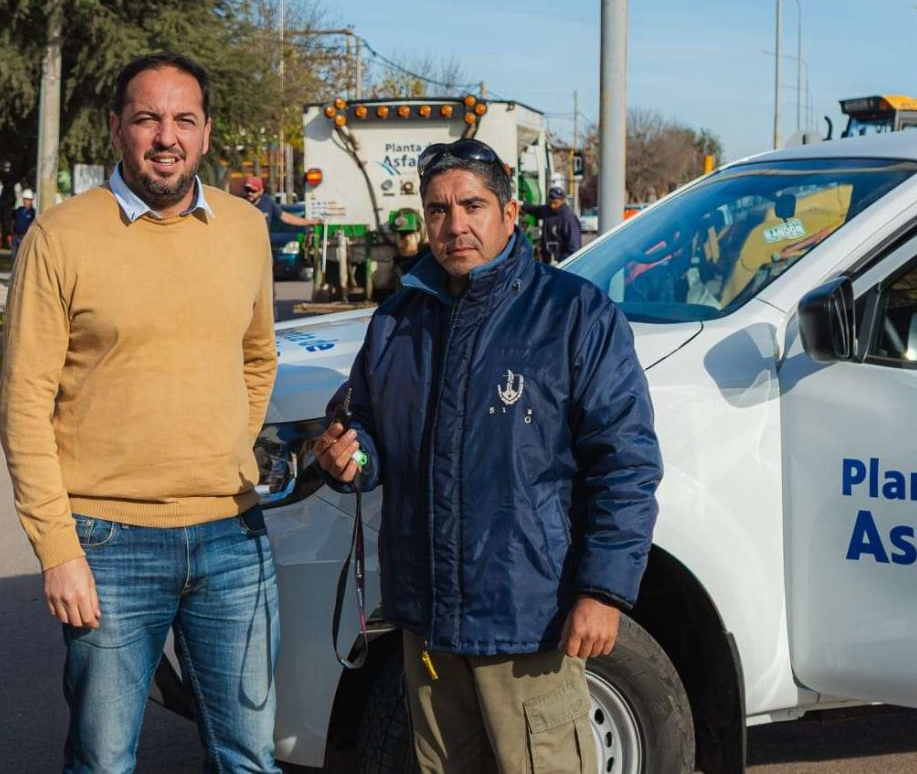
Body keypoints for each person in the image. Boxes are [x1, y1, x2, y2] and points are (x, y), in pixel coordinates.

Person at [314, 138, 662, 773]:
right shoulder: (397, 322)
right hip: (428, 625)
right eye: (439, 210)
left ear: (509, 212)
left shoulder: (573, 315)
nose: (455, 225)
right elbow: (368, 431)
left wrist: (603, 591)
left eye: (471, 205)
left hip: (530, 621)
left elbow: (626, 464)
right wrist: (349, 457)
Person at [0, 51, 280, 772]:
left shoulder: (246, 228)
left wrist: (224, 448)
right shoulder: (59, 237)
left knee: (248, 756)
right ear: (117, 129)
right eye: (147, 118)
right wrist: (59, 551)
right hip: (108, 543)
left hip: (233, 536)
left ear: (207, 132)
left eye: (183, 119)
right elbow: (25, 403)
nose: (167, 136)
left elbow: (258, 358)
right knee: (103, 760)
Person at [522, 185, 582, 264]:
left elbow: (574, 247)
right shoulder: (547, 210)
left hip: (561, 263)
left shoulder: (568, 219)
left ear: (562, 200)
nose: (552, 206)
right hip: (547, 260)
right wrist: (522, 206)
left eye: (555, 203)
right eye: (550, 202)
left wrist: (561, 260)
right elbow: (535, 210)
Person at [242, 175, 318, 230]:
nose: (249, 193)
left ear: (261, 191)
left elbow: (286, 217)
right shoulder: (241, 204)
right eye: (247, 190)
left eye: (253, 190)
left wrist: (309, 222)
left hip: (262, 244)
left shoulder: (267, 202)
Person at [10, 187, 36, 258]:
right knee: (14, 256)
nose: (26, 201)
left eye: (28, 200)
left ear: (31, 201)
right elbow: (13, 221)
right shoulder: (18, 210)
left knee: (23, 257)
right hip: (16, 237)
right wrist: (12, 233)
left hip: (25, 238)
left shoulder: (33, 212)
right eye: (24, 199)